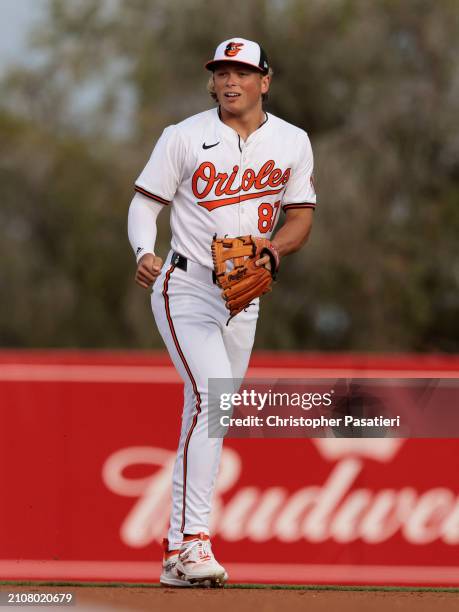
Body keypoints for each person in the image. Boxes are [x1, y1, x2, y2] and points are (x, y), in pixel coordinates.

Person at [128, 37, 316, 587]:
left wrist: (276, 250)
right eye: (221, 72)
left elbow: (301, 216)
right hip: (184, 284)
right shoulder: (183, 137)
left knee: (212, 413)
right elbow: (145, 203)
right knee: (214, 397)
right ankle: (193, 542)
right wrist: (144, 249)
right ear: (211, 80)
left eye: (242, 71)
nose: (230, 81)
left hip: (245, 295)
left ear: (265, 79)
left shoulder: (292, 141)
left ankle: (174, 553)